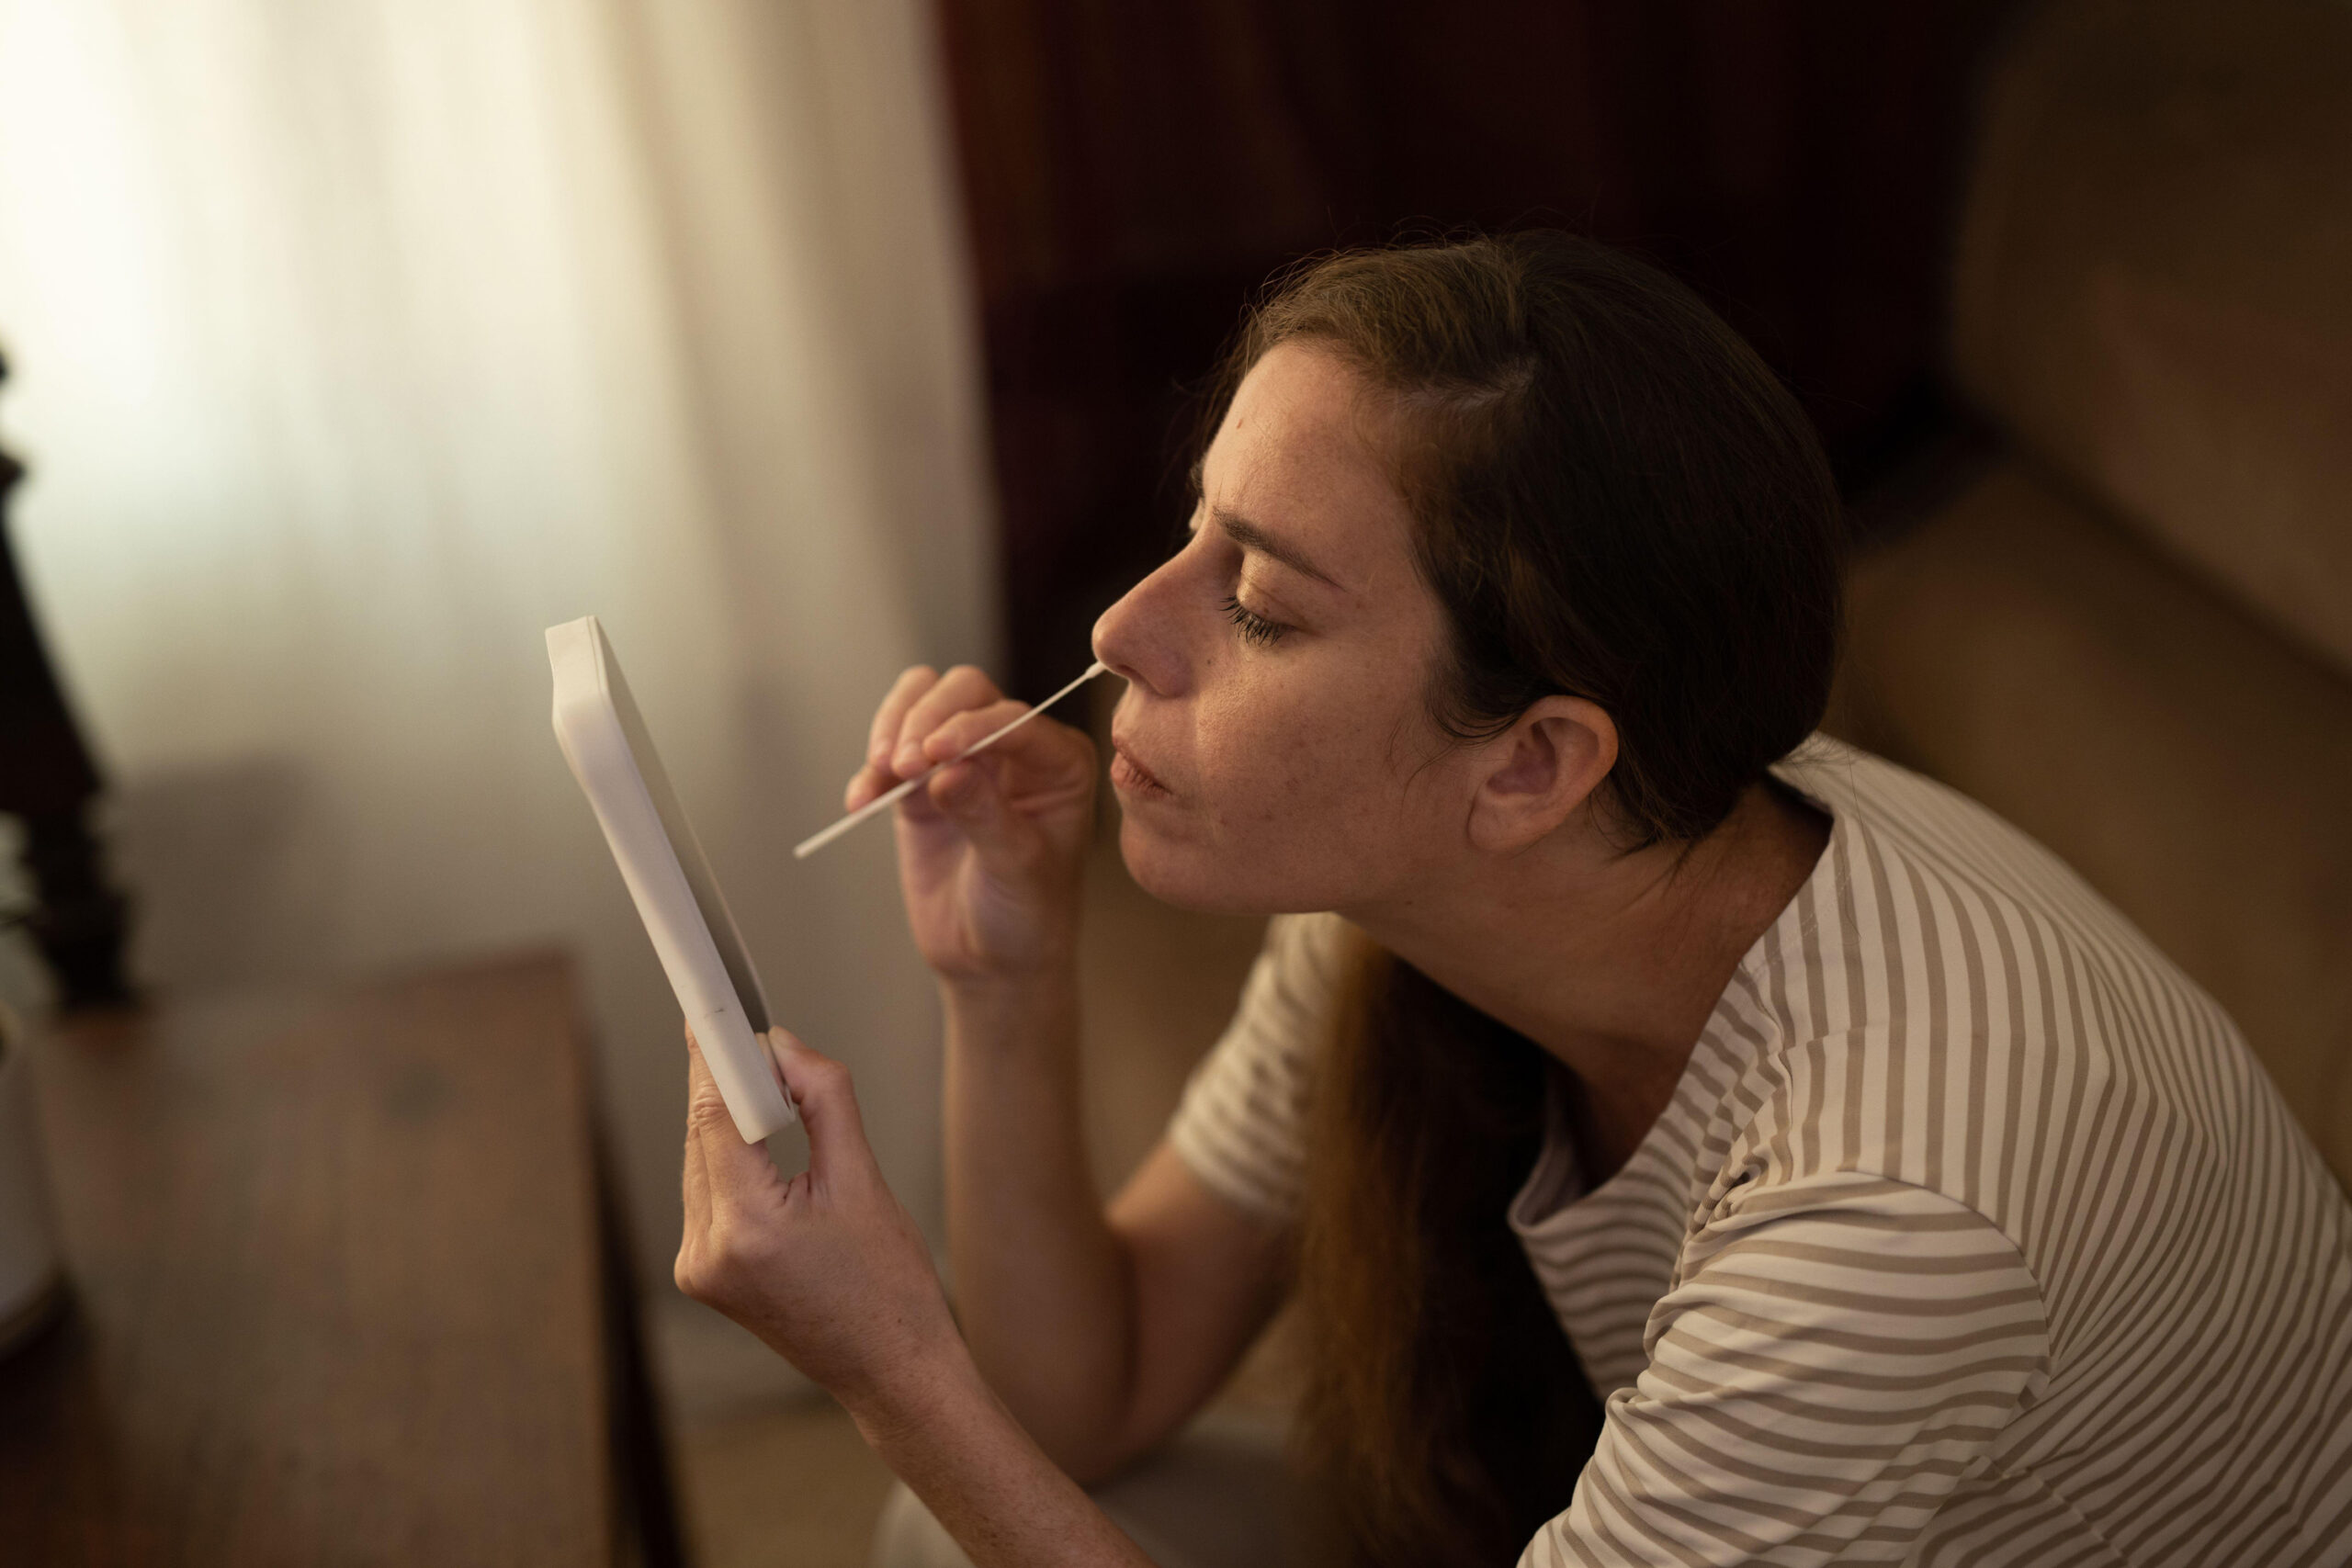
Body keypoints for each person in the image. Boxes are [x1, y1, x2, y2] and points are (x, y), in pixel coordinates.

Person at [673, 233, 2352, 1567]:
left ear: (1534, 763)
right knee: (943, 1534)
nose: (1119, 627)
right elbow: (1084, 1399)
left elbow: (996, 1424)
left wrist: (892, 1372)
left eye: (1256, 603)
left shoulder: (1898, 1207)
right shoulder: (1408, 901)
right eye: (1197, 535)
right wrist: (1006, 979)